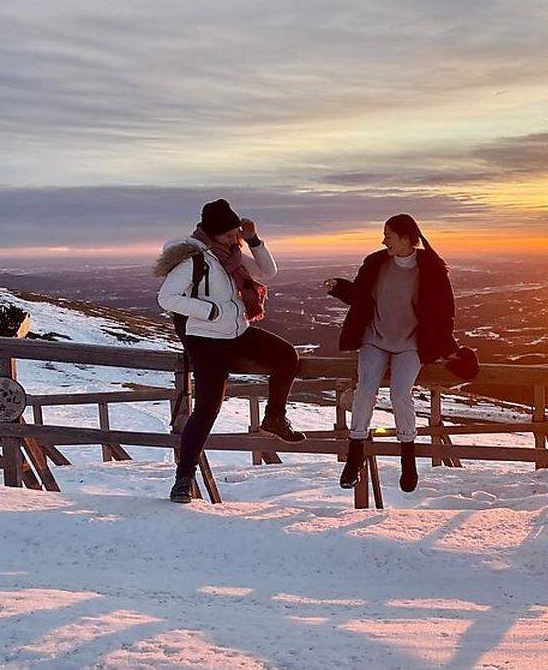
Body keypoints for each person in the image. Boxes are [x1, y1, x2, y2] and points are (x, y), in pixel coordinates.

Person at [155, 198, 305, 504]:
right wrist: (207, 310)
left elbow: (269, 272)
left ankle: (274, 418)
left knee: (286, 357)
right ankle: (183, 479)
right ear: (211, 233)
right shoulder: (192, 259)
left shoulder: (233, 256)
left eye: (235, 232)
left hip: (236, 332)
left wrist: (253, 240)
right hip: (206, 341)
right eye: (227, 234)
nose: (232, 238)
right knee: (208, 408)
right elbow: (166, 297)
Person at [324, 213, 460, 493]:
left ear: (406, 239)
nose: (383, 240)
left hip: (410, 343)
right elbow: (360, 296)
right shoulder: (376, 263)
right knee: (365, 391)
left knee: (400, 395)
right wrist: (338, 288)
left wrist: (450, 350)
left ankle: (407, 459)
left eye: (388, 235)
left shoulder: (431, 269)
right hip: (375, 339)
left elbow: (443, 313)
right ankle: (355, 452)